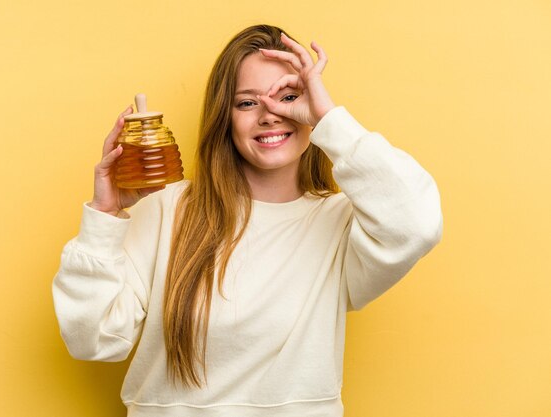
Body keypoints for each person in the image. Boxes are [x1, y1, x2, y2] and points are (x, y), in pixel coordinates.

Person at [53, 24, 442, 417]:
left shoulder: (340, 224)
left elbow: (417, 224)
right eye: (247, 103)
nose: (271, 115)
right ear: (225, 117)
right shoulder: (166, 208)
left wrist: (328, 118)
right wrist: (104, 216)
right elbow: (94, 338)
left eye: (289, 97)